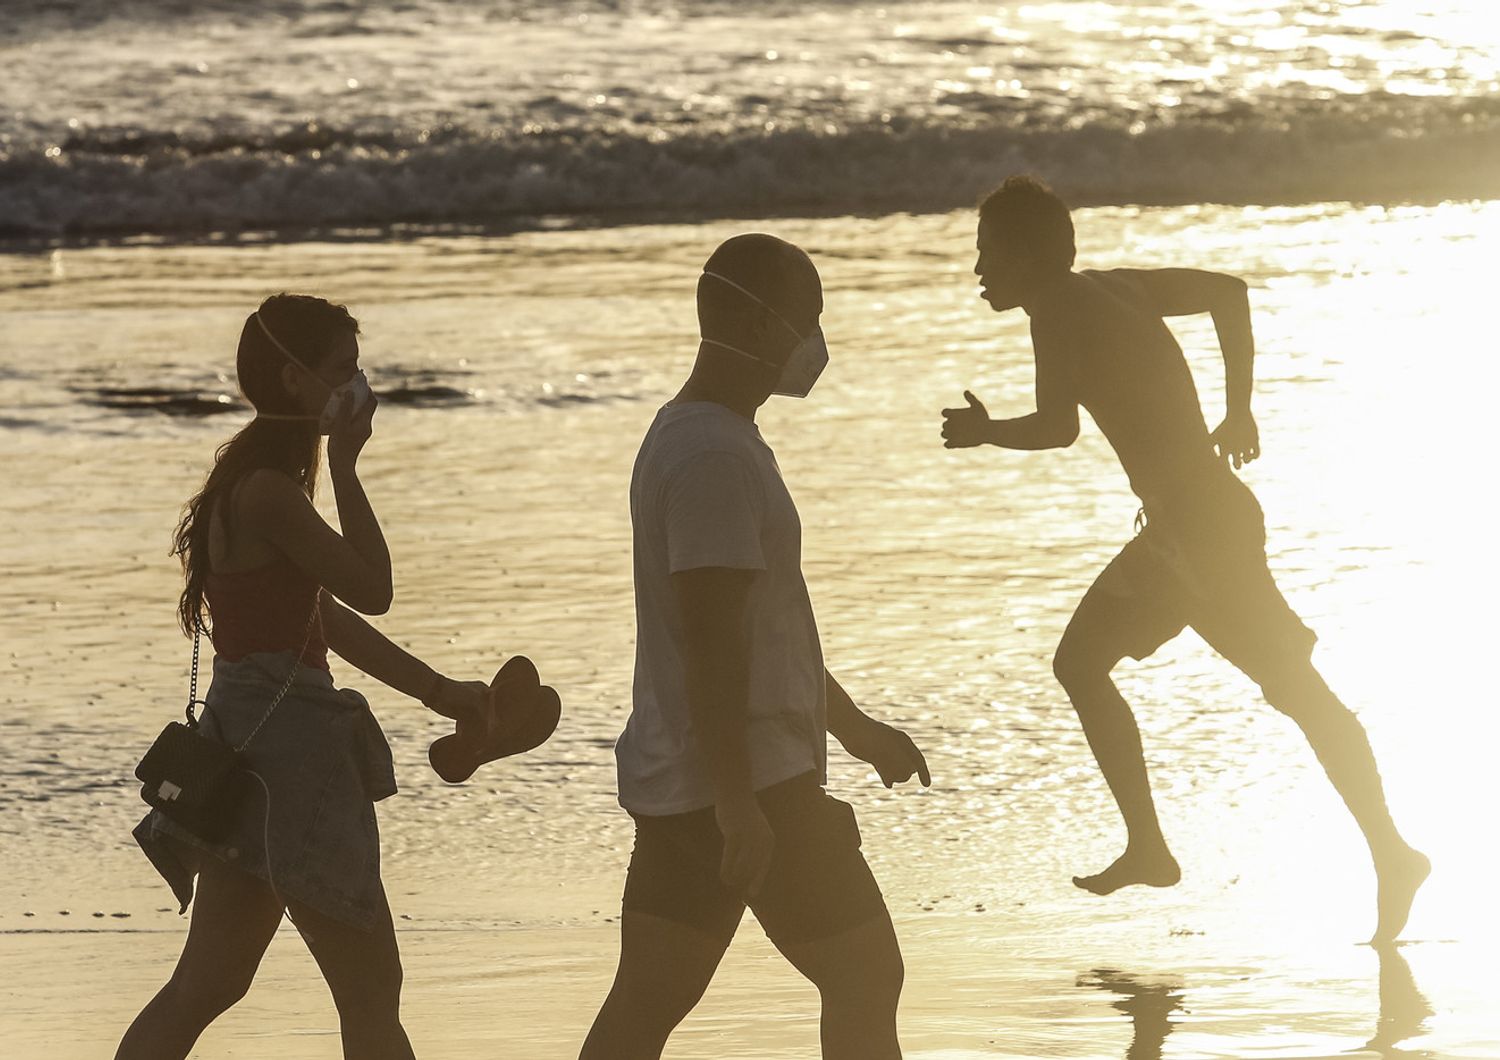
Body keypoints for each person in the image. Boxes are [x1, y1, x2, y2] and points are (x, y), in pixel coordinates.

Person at [940, 176, 1428, 943]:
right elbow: (1229, 294)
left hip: (1199, 537)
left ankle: (1391, 854)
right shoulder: (1114, 286)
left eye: (988, 251)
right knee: (1086, 663)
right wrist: (1239, 405)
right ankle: (1154, 845)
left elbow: (1059, 427)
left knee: (1297, 692)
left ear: (1029, 255)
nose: (977, 269)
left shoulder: (1056, 309)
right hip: (1189, 530)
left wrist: (986, 431)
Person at [118, 293, 496, 1060]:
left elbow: (315, 615)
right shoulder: (270, 493)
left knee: (206, 987)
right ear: (296, 382)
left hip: (244, 748)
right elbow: (373, 589)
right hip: (294, 762)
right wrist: (351, 466)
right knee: (369, 991)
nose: (358, 388)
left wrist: (436, 690)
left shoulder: (249, 481)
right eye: (344, 372)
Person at [580, 234, 931, 1060]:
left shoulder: (702, 437)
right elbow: (711, 643)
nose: (811, 339)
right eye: (802, 317)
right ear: (745, 317)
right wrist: (741, 807)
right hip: (749, 786)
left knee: (645, 1006)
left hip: (693, 781)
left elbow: (767, 629)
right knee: (866, 977)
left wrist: (852, 729)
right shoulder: (710, 457)